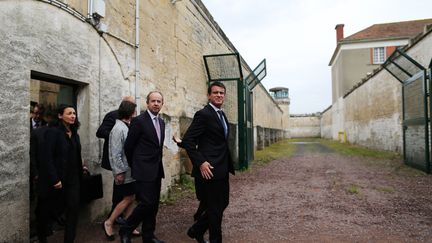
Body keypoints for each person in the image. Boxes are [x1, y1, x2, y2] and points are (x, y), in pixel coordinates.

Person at [182, 81, 235, 243]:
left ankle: (196, 230)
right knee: (214, 209)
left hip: (222, 167)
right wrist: (201, 162)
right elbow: (188, 140)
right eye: (216, 92)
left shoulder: (221, 114)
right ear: (209, 95)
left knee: (222, 203)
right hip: (209, 169)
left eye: (222, 93)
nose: (219, 95)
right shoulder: (203, 114)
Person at [119, 91, 166, 243]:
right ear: (147, 103)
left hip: (157, 170)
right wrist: (137, 165)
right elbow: (128, 147)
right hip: (143, 170)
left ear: (162, 104)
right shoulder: (139, 121)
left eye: (159, 101)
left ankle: (148, 236)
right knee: (146, 203)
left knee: (154, 205)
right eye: (153, 101)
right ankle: (126, 228)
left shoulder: (162, 123)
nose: (156, 103)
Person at [42, 104, 85, 243]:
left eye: (74, 113)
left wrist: (82, 167)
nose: (73, 116)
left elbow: (76, 154)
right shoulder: (53, 132)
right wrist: (55, 179)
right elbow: (47, 157)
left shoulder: (75, 134)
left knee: (73, 210)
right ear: (60, 116)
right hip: (58, 180)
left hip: (74, 179)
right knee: (52, 209)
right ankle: (44, 234)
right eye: (69, 113)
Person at [102, 100, 138, 241]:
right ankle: (109, 222)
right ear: (129, 112)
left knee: (132, 197)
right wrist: (119, 172)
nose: (135, 113)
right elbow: (115, 153)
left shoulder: (125, 126)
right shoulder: (118, 128)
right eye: (134, 111)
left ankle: (128, 226)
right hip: (124, 170)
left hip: (130, 169)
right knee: (128, 198)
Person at [96, 96, 135, 224]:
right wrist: (116, 138)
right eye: (130, 104)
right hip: (116, 159)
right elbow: (100, 132)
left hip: (127, 162)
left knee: (126, 193)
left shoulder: (132, 119)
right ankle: (113, 218)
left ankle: (120, 218)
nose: (133, 107)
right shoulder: (113, 116)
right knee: (120, 191)